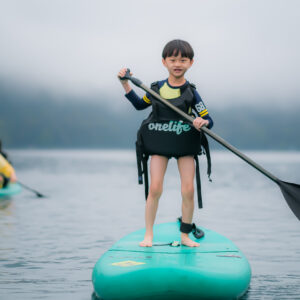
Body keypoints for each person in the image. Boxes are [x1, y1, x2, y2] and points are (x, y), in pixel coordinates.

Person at [118, 39, 213, 247]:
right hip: (159, 145)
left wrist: (201, 121)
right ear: (164, 62)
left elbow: (209, 120)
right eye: (173, 59)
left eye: (183, 60)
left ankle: (185, 235)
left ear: (191, 63)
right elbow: (138, 105)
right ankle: (148, 235)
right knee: (155, 189)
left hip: (184, 145)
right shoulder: (155, 89)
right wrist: (125, 83)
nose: (177, 63)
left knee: (188, 190)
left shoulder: (192, 92)